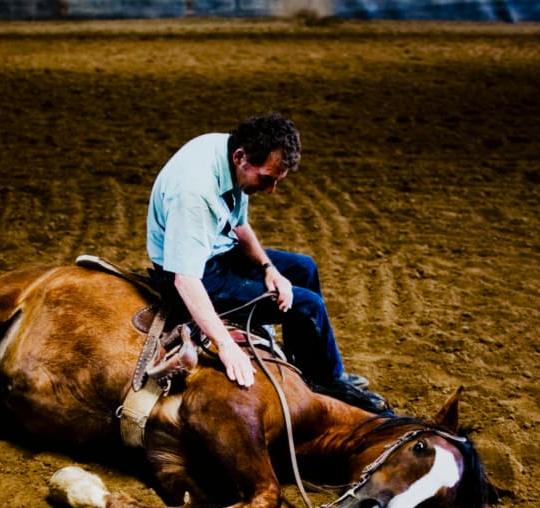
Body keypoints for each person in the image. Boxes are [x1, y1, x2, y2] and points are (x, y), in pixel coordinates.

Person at [146, 112, 389, 413]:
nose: (270, 191)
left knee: (304, 268)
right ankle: (326, 383)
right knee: (307, 305)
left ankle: (319, 374)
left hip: (216, 250)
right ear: (241, 157)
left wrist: (268, 269)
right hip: (195, 273)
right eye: (267, 179)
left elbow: (239, 226)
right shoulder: (195, 194)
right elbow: (185, 279)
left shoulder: (228, 155)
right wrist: (225, 345)